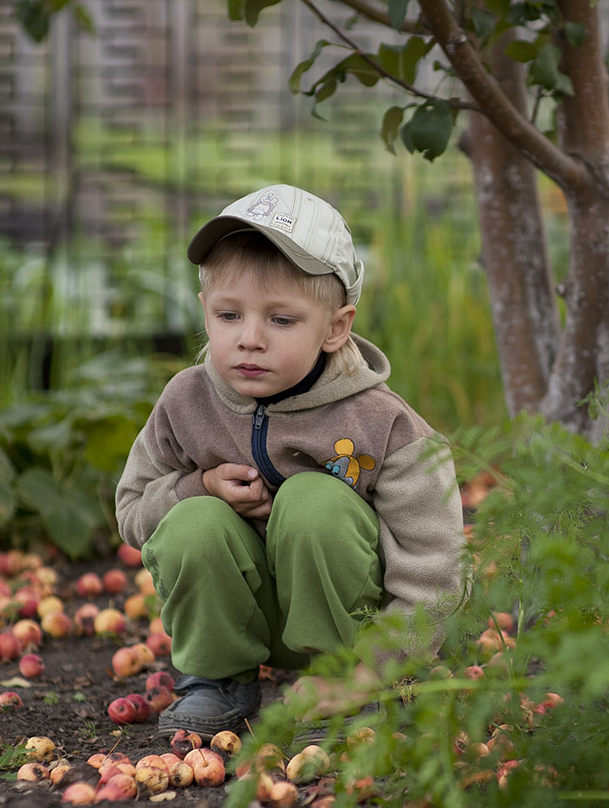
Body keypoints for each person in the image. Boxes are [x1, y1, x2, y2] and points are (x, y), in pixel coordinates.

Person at [114, 184, 465, 741]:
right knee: (193, 520)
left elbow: (435, 568)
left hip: (353, 626)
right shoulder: (186, 402)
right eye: (230, 315)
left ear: (335, 327)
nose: (249, 340)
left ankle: (347, 689)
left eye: (281, 321)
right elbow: (132, 511)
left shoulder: (383, 425)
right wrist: (196, 486)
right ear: (205, 313)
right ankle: (218, 677)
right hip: (243, 616)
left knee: (314, 500)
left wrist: (379, 667)